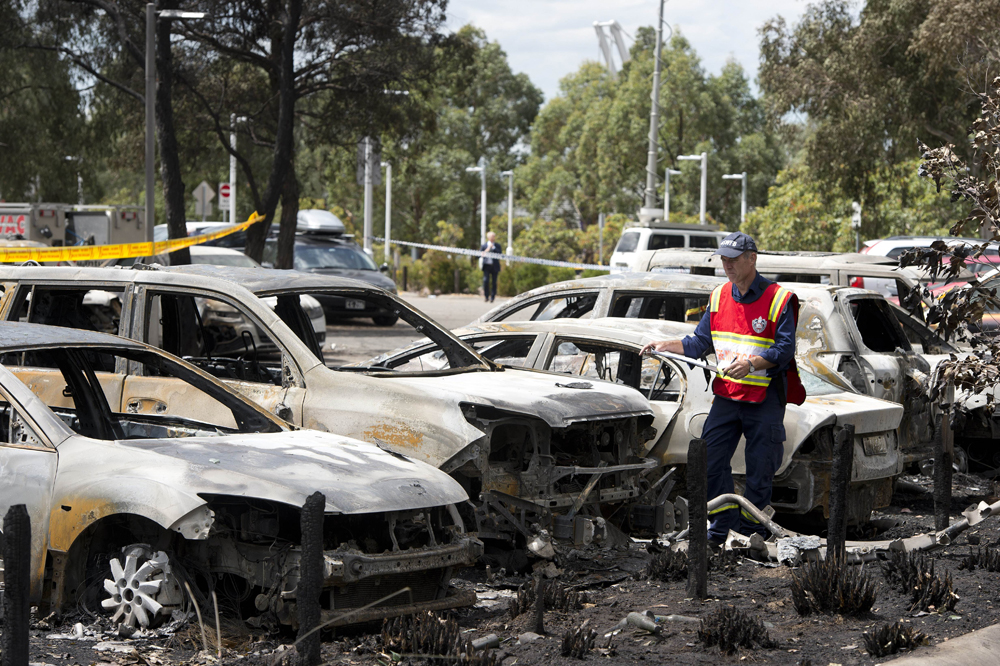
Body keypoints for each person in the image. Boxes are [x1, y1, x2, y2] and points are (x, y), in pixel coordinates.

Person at [640, 231, 803, 545]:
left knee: (760, 471)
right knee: (709, 460)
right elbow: (700, 342)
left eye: (733, 259)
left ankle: (750, 535)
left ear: (751, 259)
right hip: (727, 396)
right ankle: (720, 529)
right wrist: (666, 345)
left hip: (765, 398)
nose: (727, 265)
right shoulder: (718, 296)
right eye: (723, 259)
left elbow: (784, 350)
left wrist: (752, 363)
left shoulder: (779, 298)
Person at [480, 231, 502, 302]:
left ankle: (492, 297)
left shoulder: (497, 245)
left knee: (494, 282)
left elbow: (500, 254)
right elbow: (479, 255)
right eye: (492, 236)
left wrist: (494, 248)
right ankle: (486, 296)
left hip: (494, 266)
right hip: (487, 266)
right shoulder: (484, 246)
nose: (494, 238)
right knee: (486, 281)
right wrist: (486, 251)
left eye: (494, 236)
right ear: (488, 237)